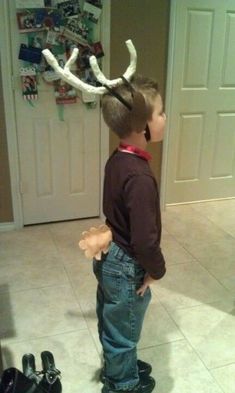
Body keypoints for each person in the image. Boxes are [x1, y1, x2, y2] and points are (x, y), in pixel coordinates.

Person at [92, 75, 167, 393]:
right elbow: (144, 240)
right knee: (124, 329)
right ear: (141, 126)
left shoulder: (119, 158)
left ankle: (119, 366)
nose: (165, 118)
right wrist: (156, 271)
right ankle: (122, 384)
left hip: (111, 254)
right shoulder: (140, 177)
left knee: (113, 319)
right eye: (161, 113)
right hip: (126, 264)